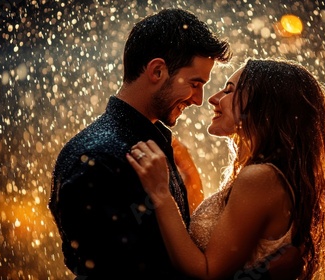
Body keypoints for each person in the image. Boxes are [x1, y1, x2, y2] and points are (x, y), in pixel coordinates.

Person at [127, 58, 325, 279]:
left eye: (228, 91)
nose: (213, 99)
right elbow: (216, 242)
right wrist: (191, 178)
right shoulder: (262, 175)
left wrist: (159, 193)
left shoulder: (260, 177)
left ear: (265, 105)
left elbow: (207, 272)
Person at [48, 8, 232, 279]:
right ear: (157, 71)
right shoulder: (98, 158)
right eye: (195, 83)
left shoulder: (147, 144)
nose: (198, 99)